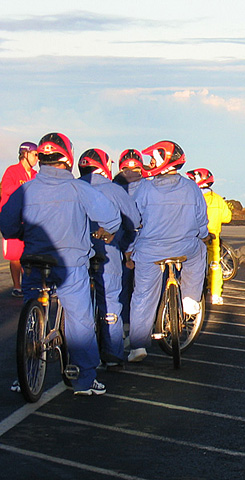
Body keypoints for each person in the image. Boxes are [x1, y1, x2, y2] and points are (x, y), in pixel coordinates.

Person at [0, 132, 121, 395]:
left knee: (31, 308)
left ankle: (25, 375)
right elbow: (111, 216)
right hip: (70, 265)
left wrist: (18, 234)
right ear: (67, 158)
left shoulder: (27, 188)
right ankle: (84, 380)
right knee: (80, 320)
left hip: (33, 260)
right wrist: (108, 231)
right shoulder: (79, 188)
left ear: (41, 159)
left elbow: (7, 223)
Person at [127, 140, 209, 363]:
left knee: (143, 295)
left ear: (163, 161)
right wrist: (202, 234)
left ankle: (137, 347)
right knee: (200, 250)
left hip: (150, 251)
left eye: (153, 158)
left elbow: (134, 221)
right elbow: (202, 222)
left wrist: (129, 250)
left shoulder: (144, 188)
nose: (150, 162)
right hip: (184, 247)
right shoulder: (192, 187)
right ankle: (190, 298)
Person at [78, 148, 141, 370]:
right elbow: (132, 222)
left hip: (77, 253)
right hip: (107, 252)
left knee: (77, 305)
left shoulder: (74, 187)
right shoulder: (114, 190)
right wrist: (127, 248)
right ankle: (112, 353)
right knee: (110, 301)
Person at [186, 168, 232, 305]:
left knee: (193, 265)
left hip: (196, 237)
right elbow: (227, 217)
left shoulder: (193, 197)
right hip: (214, 238)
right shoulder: (218, 199)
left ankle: (193, 293)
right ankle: (216, 294)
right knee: (215, 265)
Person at [113, 149, 148, 332]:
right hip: (144, 246)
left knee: (121, 290)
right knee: (144, 291)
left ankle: (125, 326)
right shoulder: (149, 187)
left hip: (121, 246)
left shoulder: (112, 187)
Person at [0, 141, 39, 297]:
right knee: (15, 256)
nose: (37, 158)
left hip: (30, 220)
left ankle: (29, 284)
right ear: (25, 154)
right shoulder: (12, 171)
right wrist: (26, 188)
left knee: (30, 255)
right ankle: (17, 287)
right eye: (35, 155)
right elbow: (7, 189)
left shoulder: (37, 175)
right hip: (14, 219)